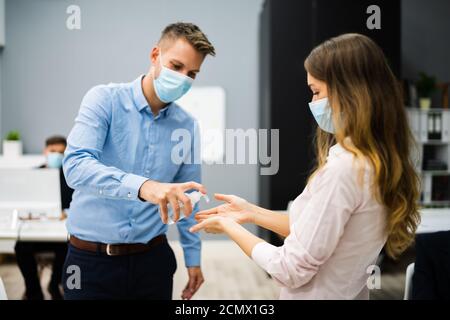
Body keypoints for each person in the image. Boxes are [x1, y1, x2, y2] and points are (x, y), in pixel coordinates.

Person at [191, 33, 421, 300]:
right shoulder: (376, 162)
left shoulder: (344, 170)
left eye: (316, 92)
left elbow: (290, 269)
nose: (312, 103)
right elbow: (316, 233)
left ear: (350, 91)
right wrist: (249, 212)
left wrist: (229, 227)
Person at [62, 22, 215, 300]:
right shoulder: (104, 100)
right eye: (176, 66)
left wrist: (193, 257)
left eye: (192, 73)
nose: (183, 78)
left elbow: (187, 196)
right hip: (90, 262)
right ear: (155, 55)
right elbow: (75, 166)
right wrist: (145, 186)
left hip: (152, 263)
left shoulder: (187, 125)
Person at [15, 135, 74, 300]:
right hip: (37, 230)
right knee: (21, 247)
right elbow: (23, 201)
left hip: (60, 232)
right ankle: (33, 291)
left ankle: (54, 284)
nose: (57, 155)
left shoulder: (71, 177)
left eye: (61, 152)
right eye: (53, 151)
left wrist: (66, 213)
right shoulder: (34, 175)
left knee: (69, 246)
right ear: (45, 151)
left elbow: (77, 203)